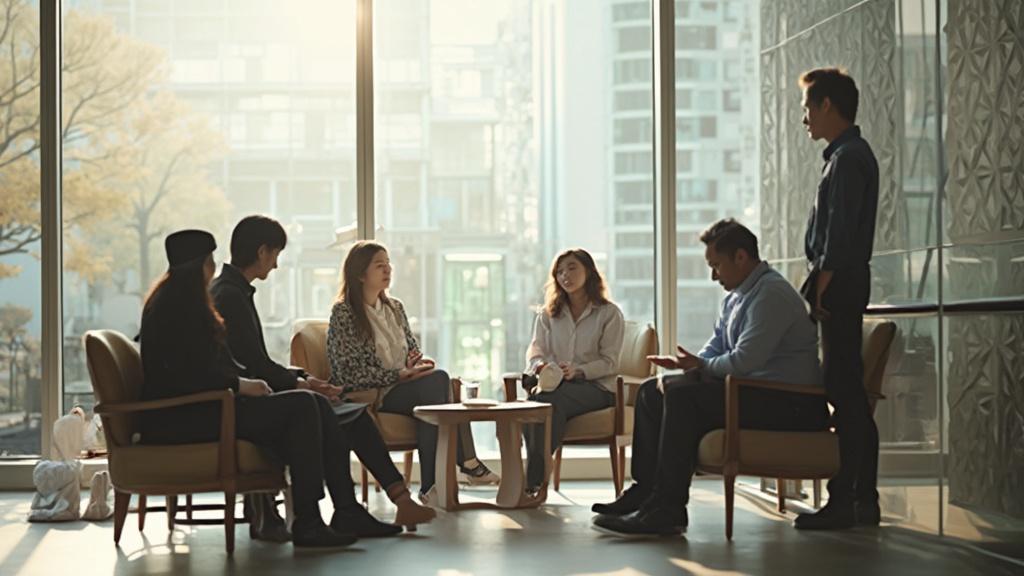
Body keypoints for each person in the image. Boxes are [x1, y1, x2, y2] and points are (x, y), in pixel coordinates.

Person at [592, 219, 829, 536]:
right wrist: (689, 365)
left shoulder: (771, 295)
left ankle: (667, 509)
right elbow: (718, 346)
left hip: (790, 403)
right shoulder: (738, 294)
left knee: (681, 398)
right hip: (754, 391)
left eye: (716, 265)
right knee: (652, 391)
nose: (713, 275)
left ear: (741, 257)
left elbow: (745, 360)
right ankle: (645, 491)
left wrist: (700, 368)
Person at [210, 216, 435, 539]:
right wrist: (302, 383)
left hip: (252, 390)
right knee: (320, 407)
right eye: (275, 255)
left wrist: (303, 377)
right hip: (242, 399)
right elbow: (252, 364)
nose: (274, 265)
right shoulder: (229, 296)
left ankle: (360, 508)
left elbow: (252, 361)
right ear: (262, 252)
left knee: (348, 413)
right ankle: (330, 514)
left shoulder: (233, 292)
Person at [139, 229, 353, 548]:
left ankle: (333, 512)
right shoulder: (179, 308)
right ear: (200, 265)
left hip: (203, 407)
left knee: (313, 404)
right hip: (191, 415)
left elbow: (204, 366)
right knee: (305, 406)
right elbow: (191, 374)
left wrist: (250, 383)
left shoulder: (176, 301)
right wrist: (241, 384)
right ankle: (309, 520)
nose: (213, 267)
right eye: (209, 260)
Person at [326, 240, 499, 505]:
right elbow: (348, 373)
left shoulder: (395, 307)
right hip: (375, 392)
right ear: (360, 273)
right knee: (438, 384)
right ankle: (463, 464)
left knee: (436, 383)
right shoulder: (344, 313)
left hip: (403, 387)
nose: (388, 270)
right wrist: (398, 376)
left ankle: (433, 486)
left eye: (388, 264)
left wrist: (416, 363)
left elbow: (411, 348)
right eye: (379, 265)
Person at [793, 67, 880, 530]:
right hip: (842, 284)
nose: (804, 117)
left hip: (839, 286)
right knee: (847, 394)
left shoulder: (847, 159)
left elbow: (839, 238)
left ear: (827, 105)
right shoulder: (843, 156)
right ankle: (860, 498)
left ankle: (848, 499)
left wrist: (820, 288)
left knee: (844, 393)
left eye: (808, 106)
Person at [522, 249, 624, 493]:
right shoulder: (548, 315)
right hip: (556, 388)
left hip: (597, 388)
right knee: (538, 402)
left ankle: (532, 481)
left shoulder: (609, 314)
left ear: (589, 271)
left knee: (545, 401)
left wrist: (578, 371)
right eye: (559, 271)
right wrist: (541, 366)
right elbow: (535, 353)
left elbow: (610, 362)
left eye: (571, 268)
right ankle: (536, 478)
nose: (564, 275)